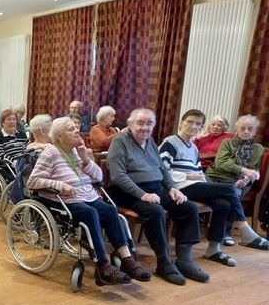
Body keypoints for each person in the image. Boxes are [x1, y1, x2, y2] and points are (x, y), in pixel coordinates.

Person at [27, 117, 151, 285]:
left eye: (75, 128)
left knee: (109, 210)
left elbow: (99, 177)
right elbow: (33, 181)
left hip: (88, 195)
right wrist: (60, 184)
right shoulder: (50, 152)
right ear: (59, 136)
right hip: (65, 200)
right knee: (90, 212)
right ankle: (103, 264)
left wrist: (85, 159)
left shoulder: (76, 151)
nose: (76, 131)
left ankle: (127, 260)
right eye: (70, 129)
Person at [106, 108, 209, 285]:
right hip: (126, 191)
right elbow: (118, 176)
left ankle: (184, 260)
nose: (145, 127)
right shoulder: (120, 142)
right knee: (156, 211)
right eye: (140, 123)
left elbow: (162, 168)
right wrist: (143, 194)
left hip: (156, 188)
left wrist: (172, 188)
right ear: (130, 123)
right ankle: (164, 262)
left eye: (149, 123)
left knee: (188, 207)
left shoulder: (151, 141)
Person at [159, 109, 269, 268]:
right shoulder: (170, 142)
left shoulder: (193, 147)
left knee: (223, 204)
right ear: (181, 122)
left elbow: (198, 172)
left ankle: (213, 249)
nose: (193, 126)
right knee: (230, 190)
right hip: (178, 187)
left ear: (201, 127)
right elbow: (162, 171)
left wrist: (202, 181)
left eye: (198, 124)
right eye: (189, 122)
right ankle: (243, 228)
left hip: (195, 185)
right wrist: (187, 177)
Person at [206, 114, 268, 247]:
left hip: (238, 181)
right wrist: (244, 171)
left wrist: (245, 179)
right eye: (243, 128)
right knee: (227, 196)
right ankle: (226, 233)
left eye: (250, 129)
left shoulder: (258, 148)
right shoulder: (227, 143)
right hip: (215, 176)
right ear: (237, 129)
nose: (246, 131)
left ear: (255, 131)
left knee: (231, 196)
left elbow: (254, 168)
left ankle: (225, 232)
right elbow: (221, 163)